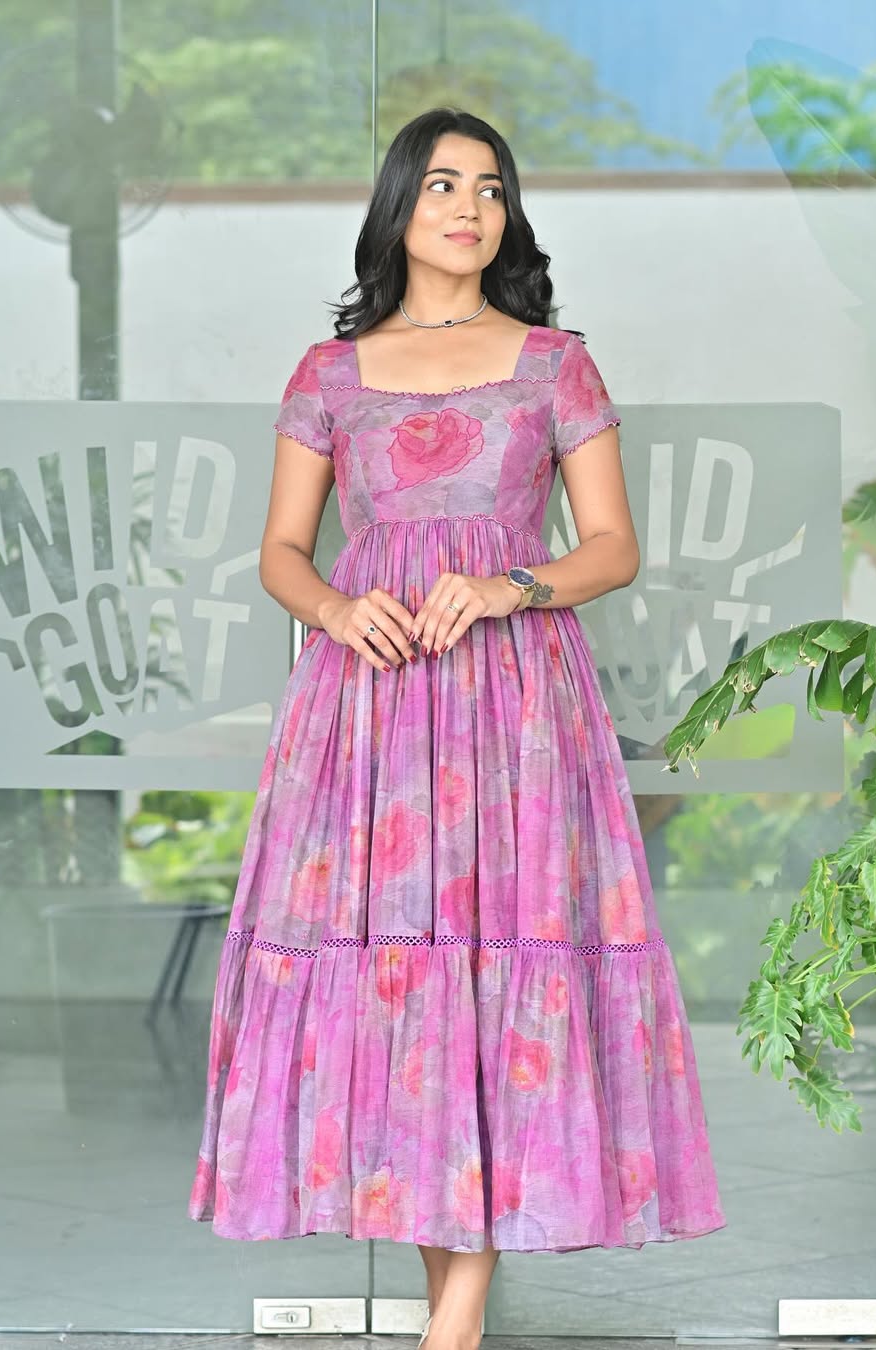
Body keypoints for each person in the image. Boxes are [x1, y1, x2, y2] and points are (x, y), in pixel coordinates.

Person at [188, 106, 724, 1350]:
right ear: (397, 207)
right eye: (441, 185)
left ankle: (455, 1323)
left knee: (497, 968)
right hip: (370, 714)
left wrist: (506, 586)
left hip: (517, 709)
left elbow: (612, 548)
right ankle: (458, 1318)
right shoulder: (329, 376)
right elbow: (280, 552)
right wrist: (337, 608)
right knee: (412, 986)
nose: (468, 207)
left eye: (489, 187)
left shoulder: (555, 365)